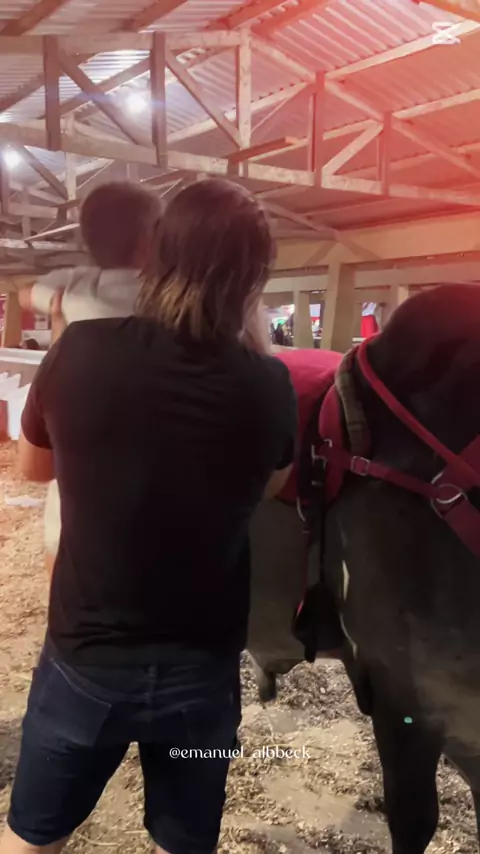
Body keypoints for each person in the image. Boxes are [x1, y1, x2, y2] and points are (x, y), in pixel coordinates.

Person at [3, 178, 297, 854]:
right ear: (254, 277)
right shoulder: (268, 383)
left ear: (156, 251)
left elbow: (33, 469)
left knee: (31, 837)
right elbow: (273, 486)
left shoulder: (80, 351)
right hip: (201, 675)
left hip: (86, 664)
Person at [17, 181, 162, 579]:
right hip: (152, 483)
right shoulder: (171, 293)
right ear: (152, 237)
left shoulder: (76, 285)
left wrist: (57, 308)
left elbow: (25, 294)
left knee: (64, 543)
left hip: (77, 482)